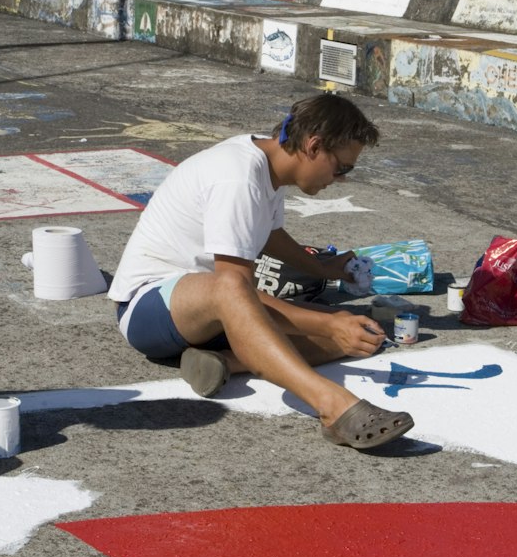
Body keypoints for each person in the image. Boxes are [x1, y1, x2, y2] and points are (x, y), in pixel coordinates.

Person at [108, 93, 413, 449]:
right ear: (314, 146)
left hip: (209, 315)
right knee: (295, 311)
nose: (341, 179)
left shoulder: (268, 166)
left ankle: (223, 362)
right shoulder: (237, 178)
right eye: (341, 167)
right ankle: (333, 406)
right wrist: (327, 322)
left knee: (354, 334)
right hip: (148, 309)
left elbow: (268, 234)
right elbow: (234, 287)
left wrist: (322, 269)